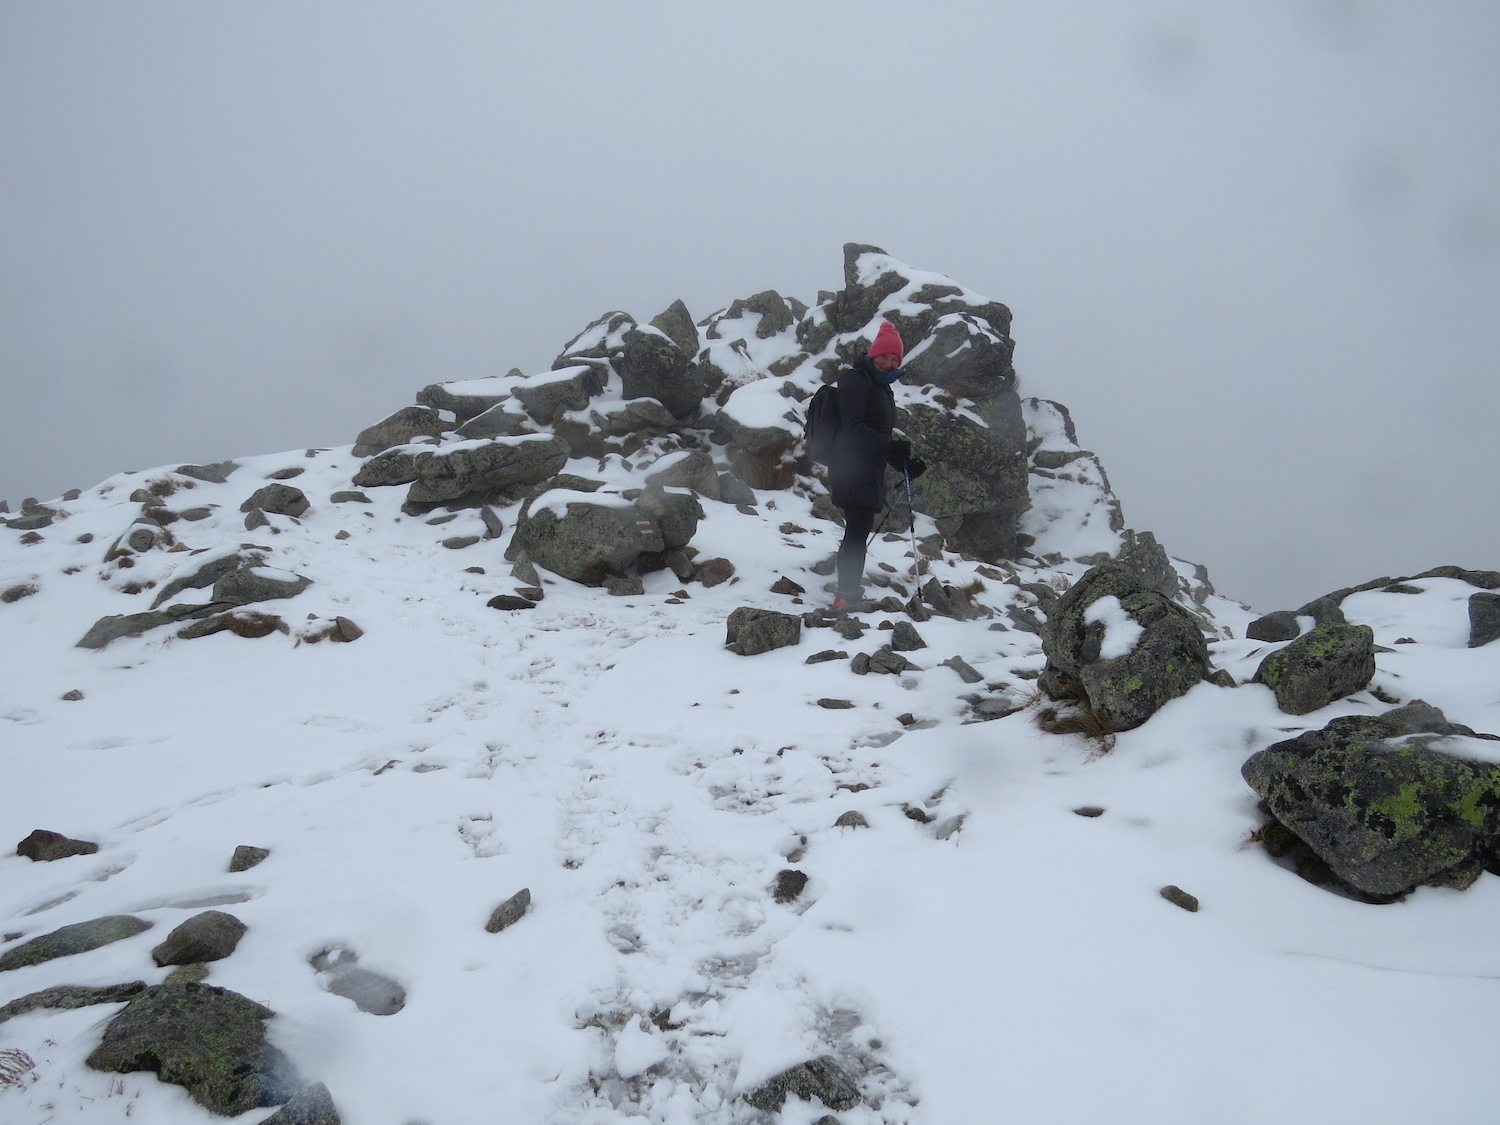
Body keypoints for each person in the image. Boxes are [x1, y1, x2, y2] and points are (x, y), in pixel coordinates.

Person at [826, 320, 925, 609]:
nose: (889, 362)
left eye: (895, 358)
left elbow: (877, 435)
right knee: (857, 527)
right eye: (884, 356)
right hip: (850, 465)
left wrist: (902, 461)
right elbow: (854, 429)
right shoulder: (857, 380)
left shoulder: (881, 388)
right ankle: (846, 595)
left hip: (866, 467)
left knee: (859, 527)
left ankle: (849, 591)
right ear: (873, 355)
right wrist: (891, 447)